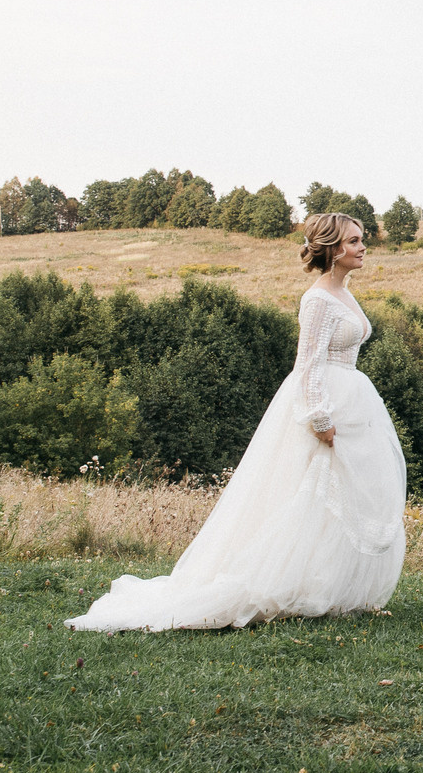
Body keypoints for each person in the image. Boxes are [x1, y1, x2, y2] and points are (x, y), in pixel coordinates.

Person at [65, 212, 405, 631]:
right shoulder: (317, 299)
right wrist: (319, 417)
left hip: (353, 399)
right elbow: (307, 365)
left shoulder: (344, 293)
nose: (362, 247)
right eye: (353, 241)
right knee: (308, 491)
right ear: (333, 249)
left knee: (339, 494)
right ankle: (276, 582)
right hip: (327, 403)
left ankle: (324, 585)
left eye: (361, 240)